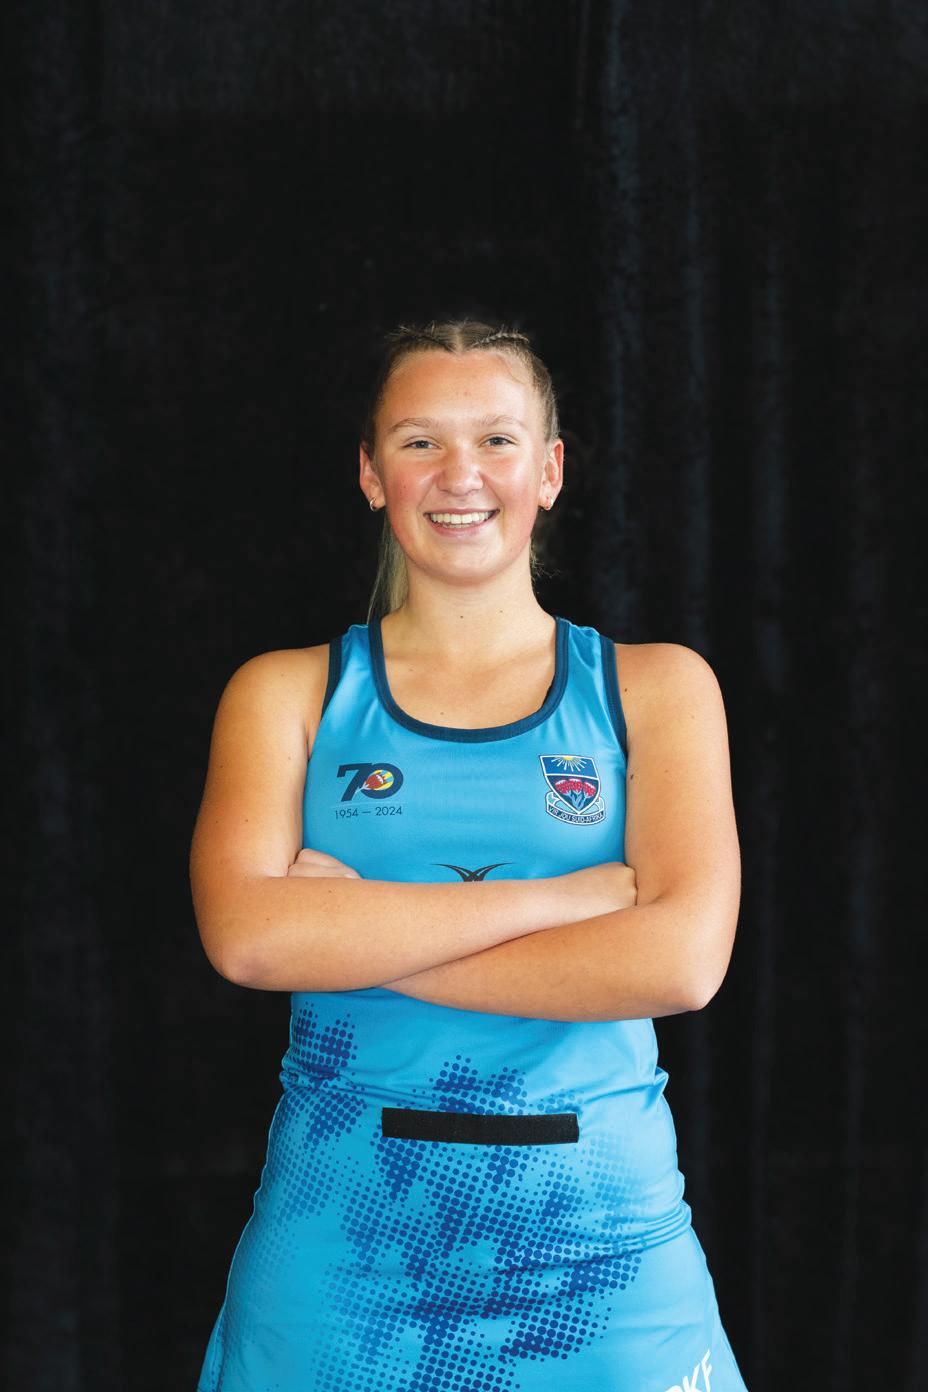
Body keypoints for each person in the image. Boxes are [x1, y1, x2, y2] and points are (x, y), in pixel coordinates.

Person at [191, 318, 748, 1391]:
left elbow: (679, 965)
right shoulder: (287, 693)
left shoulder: (658, 688)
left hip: (603, 1258)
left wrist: (352, 936)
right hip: (342, 1255)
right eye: (420, 442)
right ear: (371, 474)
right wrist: (566, 902)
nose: (461, 475)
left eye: (496, 440)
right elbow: (249, 942)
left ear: (550, 470)